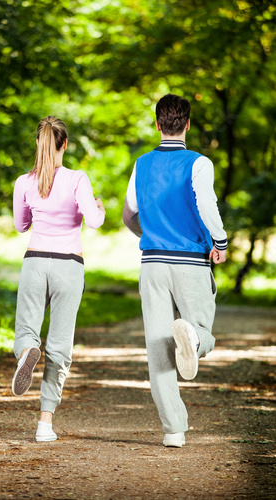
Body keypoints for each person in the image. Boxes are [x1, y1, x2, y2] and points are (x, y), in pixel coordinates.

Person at [123, 94, 227, 448]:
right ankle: (194, 340)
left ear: (157, 124)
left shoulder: (141, 164)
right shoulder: (199, 164)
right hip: (190, 262)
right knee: (201, 330)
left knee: (158, 347)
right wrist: (221, 241)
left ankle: (173, 431)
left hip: (151, 263)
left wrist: (150, 235)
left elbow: (129, 216)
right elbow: (206, 204)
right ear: (186, 123)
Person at [12, 116, 105, 442]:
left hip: (35, 262)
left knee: (26, 330)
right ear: (64, 144)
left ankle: (26, 353)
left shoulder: (24, 182)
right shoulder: (78, 179)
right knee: (60, 346)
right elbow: (93, 222)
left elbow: (21, 225)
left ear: (39, 143)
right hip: (69, 266)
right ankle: (45, 424)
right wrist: (98, 206)